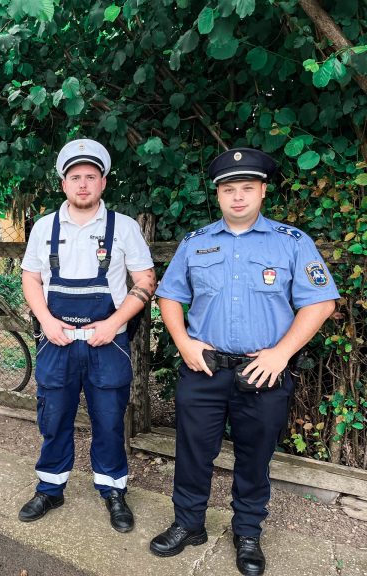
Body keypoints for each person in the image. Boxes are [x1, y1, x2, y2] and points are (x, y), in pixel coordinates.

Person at [150, 148, 339, 575]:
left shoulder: (291, 242)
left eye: (247, 189)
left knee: (255, 457)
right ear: (218, 195)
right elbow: (169, 296)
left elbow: (321, 302)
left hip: (263, 371)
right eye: (229, 189)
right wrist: (183, 343)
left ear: (262, 192)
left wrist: (281, 353)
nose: (238, 197)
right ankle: (188, 523)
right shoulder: (196, 243)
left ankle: (248, 533)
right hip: (205, 367)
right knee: (193, 452)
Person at [18, 139, 156, 532]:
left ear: (103, 182)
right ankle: (50, 488)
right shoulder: (44, 227)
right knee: (54, 417)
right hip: (56, 340)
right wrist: (45, 319)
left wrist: (114, 324)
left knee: (110, 420)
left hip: (106, 341)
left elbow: (145, 279)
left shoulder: (124, 227)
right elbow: (31, 277)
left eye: (90, 177)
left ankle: (113, 491)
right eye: (75, 177)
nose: (82, 184)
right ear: (64, 184)